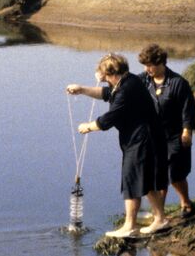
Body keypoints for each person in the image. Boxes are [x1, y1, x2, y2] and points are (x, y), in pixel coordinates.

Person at [66, 53, 169, 237]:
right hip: (141, 139)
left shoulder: (126, 89)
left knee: (132, 180)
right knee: (144, 180)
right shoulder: (126, 82)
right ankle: (160, 219)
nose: (103, 79)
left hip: (142, 140)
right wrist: (81, 89)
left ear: (112, 73)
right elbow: (106, 94)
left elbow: (109, 119)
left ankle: (130, 226)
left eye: (105, 75)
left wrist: (87, 126)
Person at [138, 44, 195, 218]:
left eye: (150, 65)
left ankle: (186, 203)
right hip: (154, 137)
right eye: (145, 65)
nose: (147, 69)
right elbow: (126, 86)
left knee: (176, 174)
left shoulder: (178, 83)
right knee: (158, 174)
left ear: (161, 62)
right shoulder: (143, 81)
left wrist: (187, 131)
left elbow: (188, 110)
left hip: (175, 135)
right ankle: (159, 211)